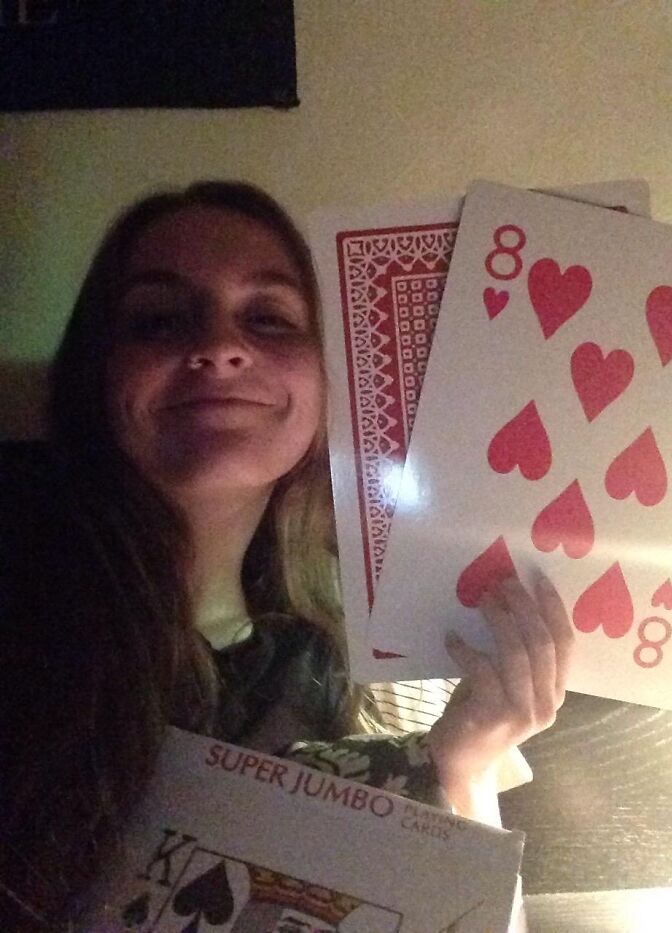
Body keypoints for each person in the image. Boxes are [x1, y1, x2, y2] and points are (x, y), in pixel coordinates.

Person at [0, 182, 574, 931]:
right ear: (96, 373)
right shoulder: (24, 625)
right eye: (159, 319)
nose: (219, 347)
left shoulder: (384, 657)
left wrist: (460, 771)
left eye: (268, 317)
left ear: (332, 380)